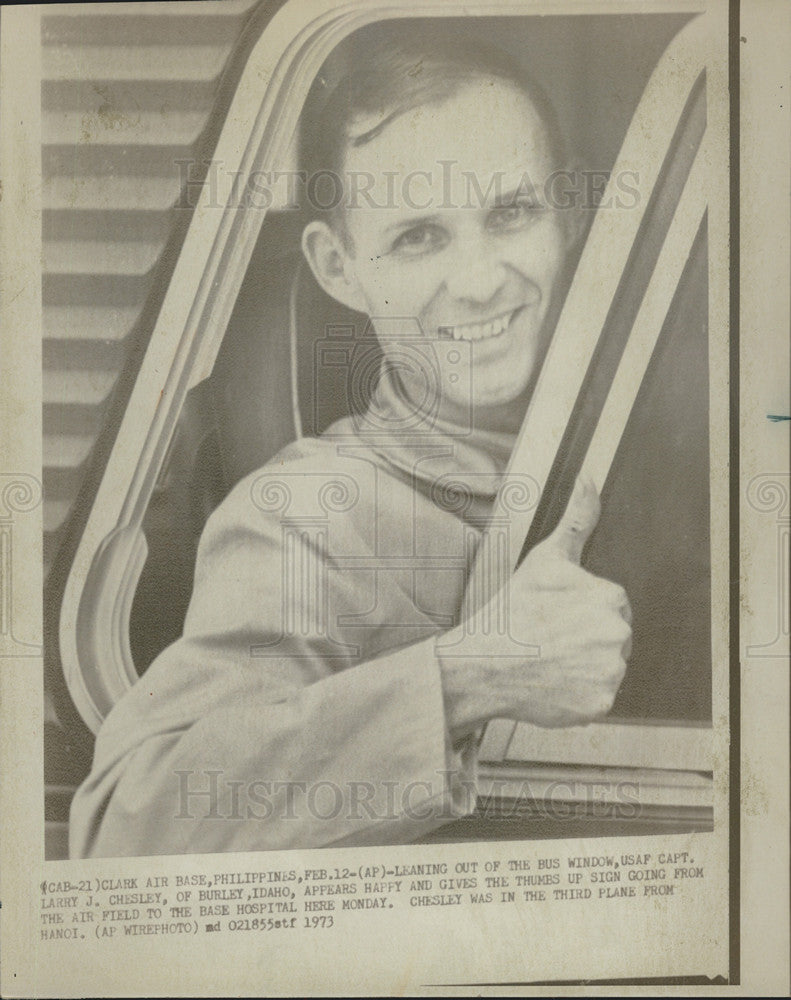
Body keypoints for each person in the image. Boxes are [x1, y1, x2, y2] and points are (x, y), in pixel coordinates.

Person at [70, 25, 632, 857]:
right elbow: (123, 830)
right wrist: (465, 679)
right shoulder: (308, 517)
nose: (479, 281)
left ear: (573, 215)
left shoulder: (653, 441)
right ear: (338, 269)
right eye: (417, 237)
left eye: (510, 213)